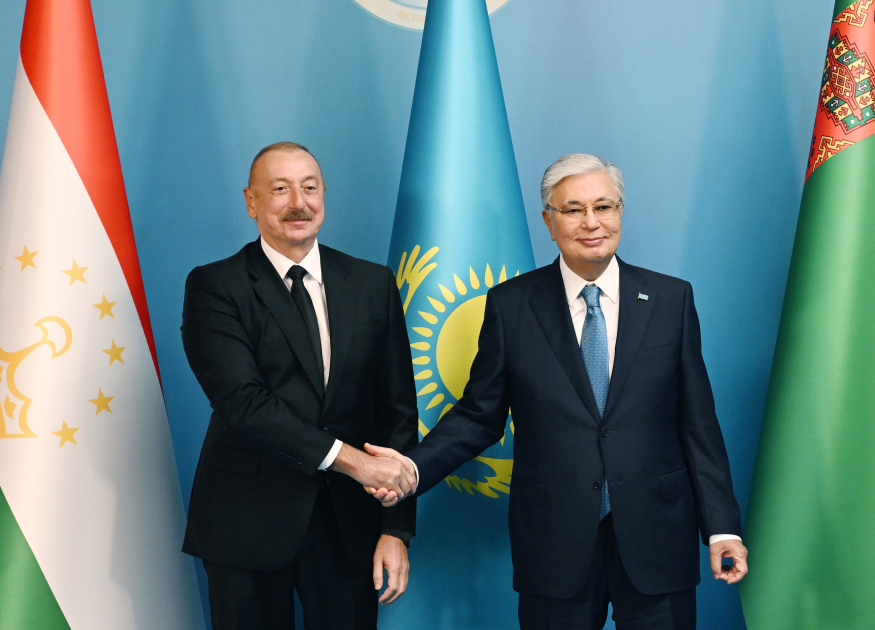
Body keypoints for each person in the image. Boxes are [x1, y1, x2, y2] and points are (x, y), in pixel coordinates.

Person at [367, 154, 748, 629]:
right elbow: (478, 416)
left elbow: (698, 424)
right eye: (573, 210)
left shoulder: (671, 299)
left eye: (604, 207)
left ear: (620, 214)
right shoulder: (511, 305)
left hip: (657, 539)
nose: (592, 222)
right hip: (554, 545)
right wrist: (411, 468)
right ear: (549, 222)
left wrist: (722, 528)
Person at [180, 141, 419, 630]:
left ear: (324, 195)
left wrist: (396, 529)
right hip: (247, 525)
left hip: (349, 527)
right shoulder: (214, 286)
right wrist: (355, 462)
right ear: (251, 202)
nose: (299, 202)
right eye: (280, 189)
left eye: (310, 188)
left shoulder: (373, 283)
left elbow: (396, 408)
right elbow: (244, 405)